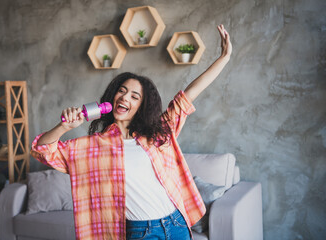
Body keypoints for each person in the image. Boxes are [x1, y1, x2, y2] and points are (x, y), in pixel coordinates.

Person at [31, 24, 232, 240]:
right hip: (140, 232)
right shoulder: (93, 146)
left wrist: (224, 58)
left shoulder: (158, 134)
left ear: (141, 106)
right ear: (113, 97)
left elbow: (188, 95)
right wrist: (64, 127)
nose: (125, 98)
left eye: (134, 97)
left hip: (176, 223)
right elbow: (42, 149)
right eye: (122, 91)